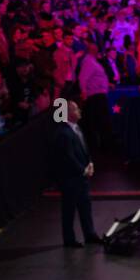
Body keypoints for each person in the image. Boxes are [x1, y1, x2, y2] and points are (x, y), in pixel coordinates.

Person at [49, 100, 100, 248]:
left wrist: (89, 163)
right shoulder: (62, 132)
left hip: (81, 177)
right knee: (69, 210)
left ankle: (89, 234)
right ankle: (69, 239)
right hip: (70, 179)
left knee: (85, 207)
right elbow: (68, 156)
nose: (79, 112)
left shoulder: (77, 128)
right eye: (76, 109)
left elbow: (83, 150)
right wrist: (82, 169)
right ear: (69, 114)